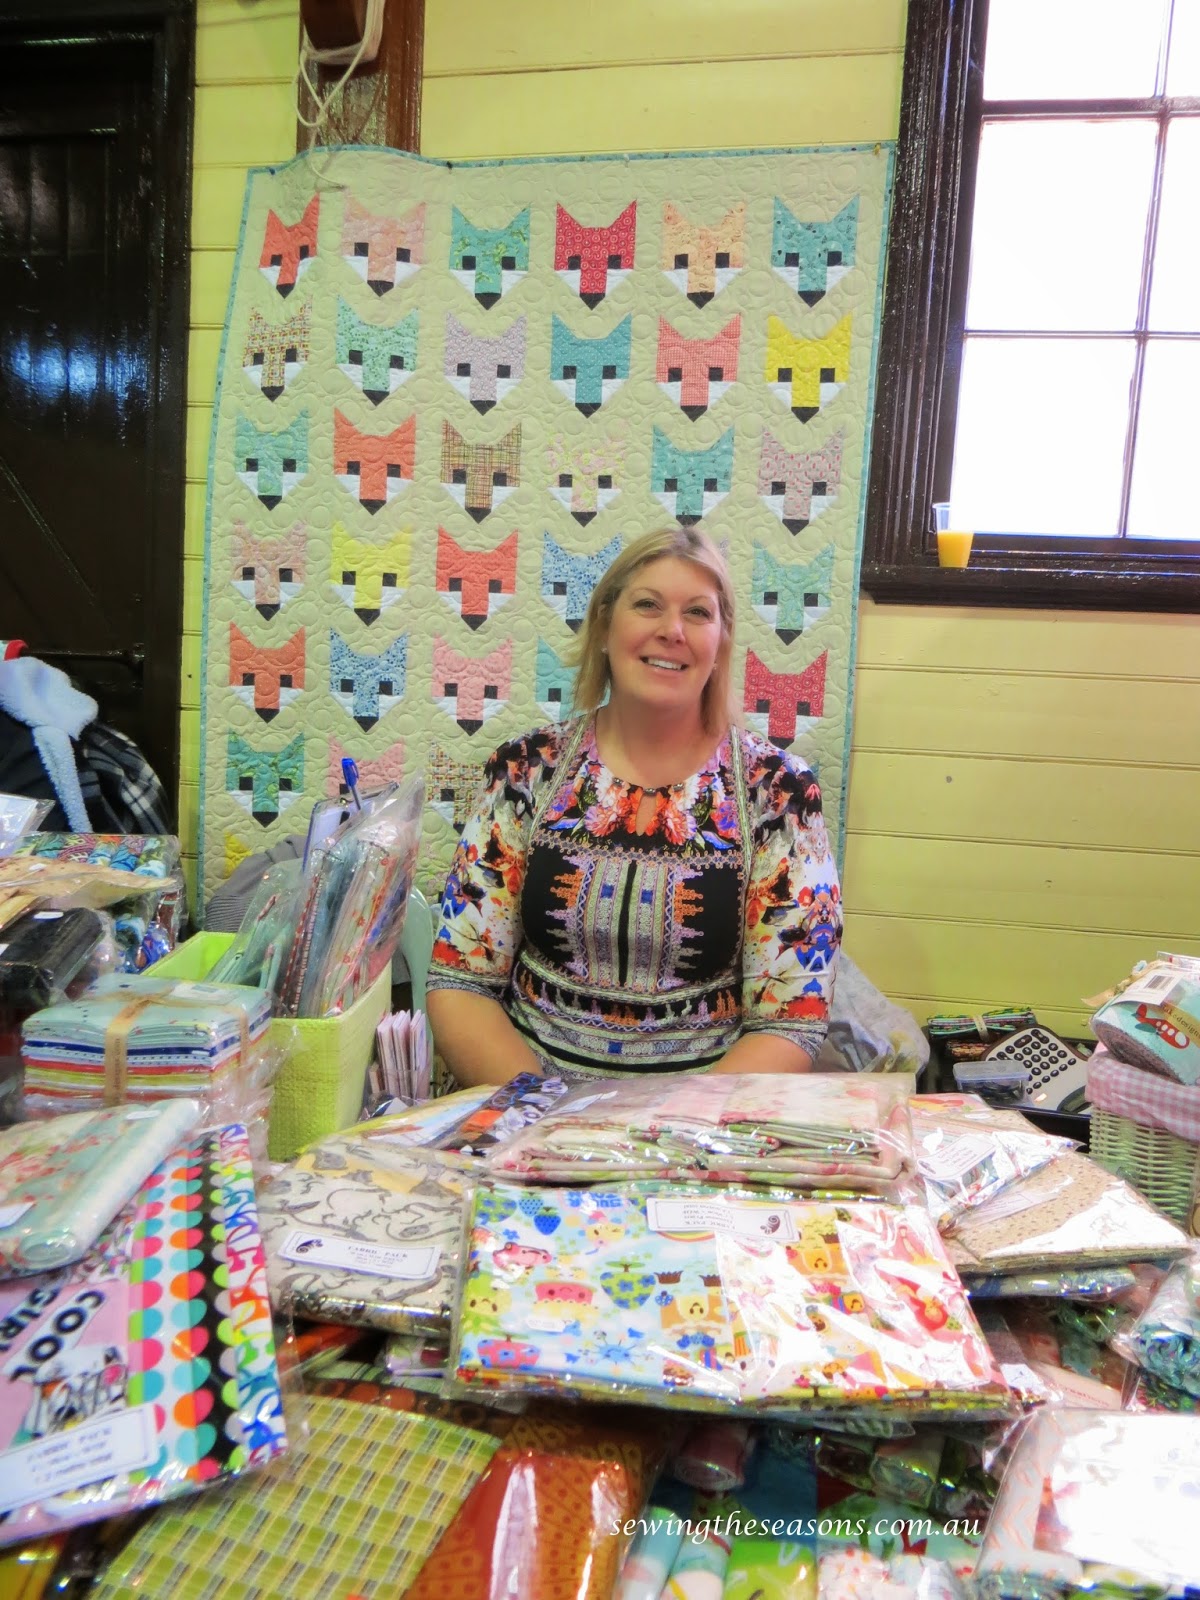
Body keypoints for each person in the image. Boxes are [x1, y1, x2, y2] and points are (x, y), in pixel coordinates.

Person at [425, 527, 842, 1086]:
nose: (672, 630)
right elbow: (462, 982)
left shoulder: (780, 793)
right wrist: (543, 1117)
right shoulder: (526, 770)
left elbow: (790, 1021)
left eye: (698, 613)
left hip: (702, 1121)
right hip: (525, 1111)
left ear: (721, 643)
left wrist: (662, 1130)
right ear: (603, 625)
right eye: (648, 604)